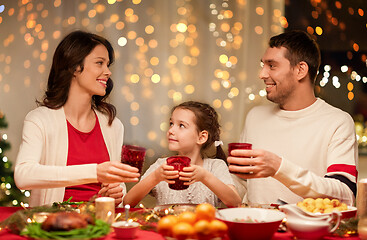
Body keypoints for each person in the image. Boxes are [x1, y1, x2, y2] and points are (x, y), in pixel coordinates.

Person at [227, 30, 358, 206]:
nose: (262, 74)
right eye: (263, 65)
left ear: (300, 70)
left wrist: (279, 168)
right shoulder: (255, 116)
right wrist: (202, 176)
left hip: (306, 232)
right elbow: (241, 184)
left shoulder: (338, 122)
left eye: (271, 66)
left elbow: (345, 194)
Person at [14, 30, 140, 207]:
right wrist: (95, 172)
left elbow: (115, 189)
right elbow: (23, 175)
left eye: (108, 65)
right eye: (99, 63)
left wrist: (115, 194)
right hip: (54, 227)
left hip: (99, 225)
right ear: (74, 67)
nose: (108, 72)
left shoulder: (113, 125)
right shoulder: (39, 120)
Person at [123, 101, 241, 207]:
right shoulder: (161, 166)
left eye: (181, 125)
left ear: (201, 137)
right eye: (171, 124)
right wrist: (155, 177)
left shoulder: (215, 167)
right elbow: (128, 202)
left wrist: (205, 177)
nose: (171, 131)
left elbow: (236, 203)